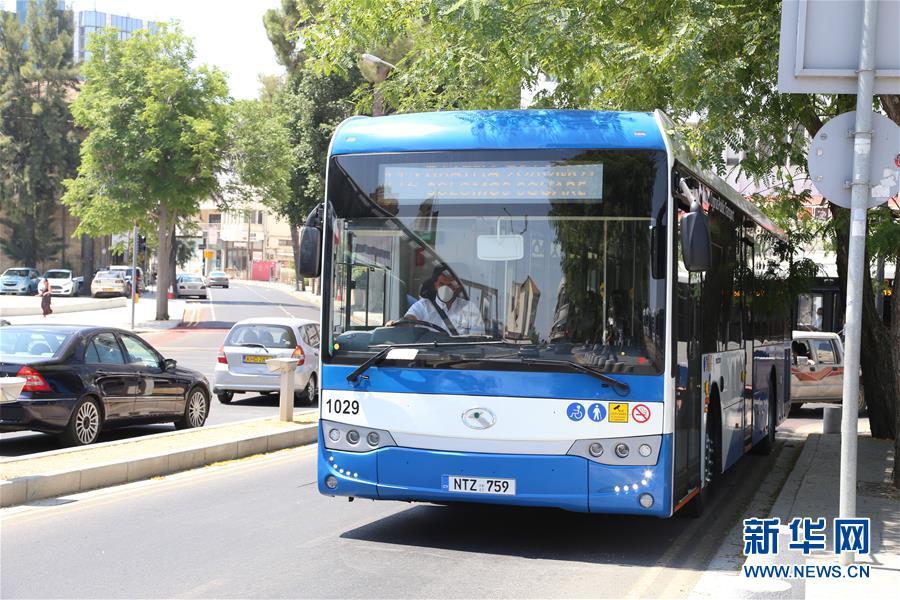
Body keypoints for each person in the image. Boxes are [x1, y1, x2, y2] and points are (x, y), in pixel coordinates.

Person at [403, 264, 485, 335]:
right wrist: (399, 324)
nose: (445, 288)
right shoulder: (422, 306)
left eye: (450, 285)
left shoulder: (470, 308)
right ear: (435, 285)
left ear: (458, 287)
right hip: (429, 352)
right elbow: (409, 319)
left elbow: (477, 338)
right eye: (441, 284)